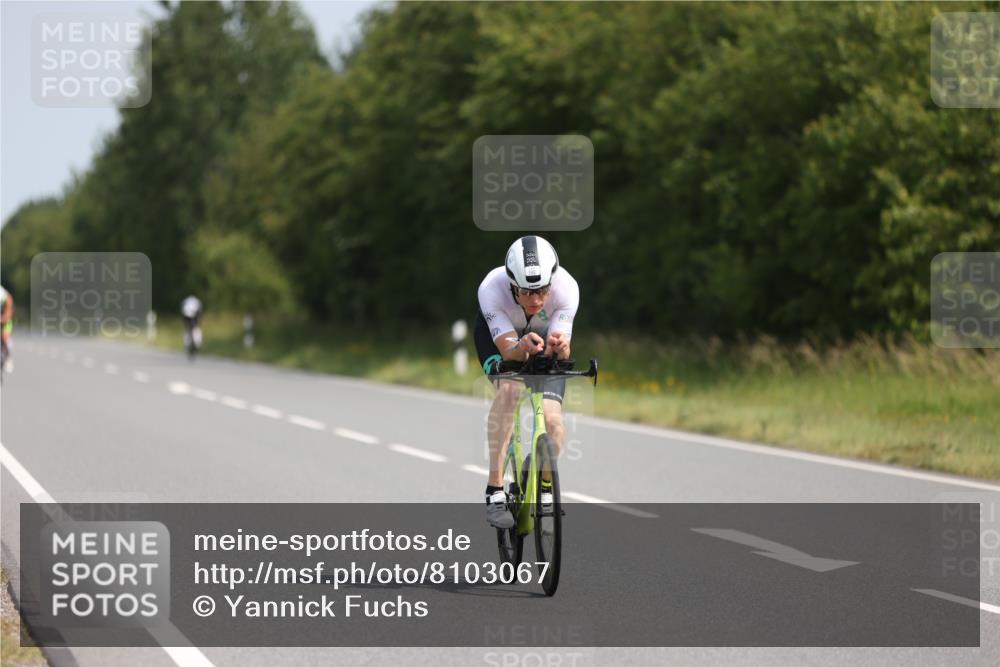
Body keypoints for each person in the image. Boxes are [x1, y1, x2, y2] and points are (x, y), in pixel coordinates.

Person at [474, 236, 579, 528]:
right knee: (509, 390)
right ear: (511, 285)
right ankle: (494, 489)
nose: (536, 300)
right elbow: (509, 351)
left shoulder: (567, 288)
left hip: (541, 337)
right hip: (500, 339)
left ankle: (545, 484)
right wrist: (521, 347)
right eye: (527, 291)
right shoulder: (491, 289)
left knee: (554, 424)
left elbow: (564, 347)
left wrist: (559, 347)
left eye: (543, 290)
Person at [1, 285, 13, 373]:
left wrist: (3, 318)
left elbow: (8, 311)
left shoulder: (3, 294)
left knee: (4, 337)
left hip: (4, 319)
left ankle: (8, 357)